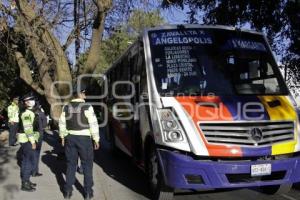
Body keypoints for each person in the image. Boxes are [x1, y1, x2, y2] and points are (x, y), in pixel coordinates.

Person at [59, 85, 100, 200]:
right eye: (84, 93)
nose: (85, 96)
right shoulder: (87, 106)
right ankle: (87, 193)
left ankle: (67, 191)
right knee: (87, 166)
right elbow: (93, 124)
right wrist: (96, 139)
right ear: (80, 94)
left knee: (71, 165)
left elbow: (62, 123)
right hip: (84, 139)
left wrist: (62, 136)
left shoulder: (66, 107)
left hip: (70, 138)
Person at [18, 94, 40, 192]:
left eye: (33, 99)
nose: (33, 101)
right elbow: (28, 129)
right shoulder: (26, 114)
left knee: (27, 161)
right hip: (27, 140)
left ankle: (26, 180)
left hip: (28, 140)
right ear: (26, 102)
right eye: (31, 99)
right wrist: (32, 142)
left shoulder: (30, 112)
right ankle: (25, 183)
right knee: (28, 162)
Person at [31, 102, 47, 177]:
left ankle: (30, 169)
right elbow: (44, 125)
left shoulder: (29, 112)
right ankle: (34, 171)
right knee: (36, 153)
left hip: (30, 134)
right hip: (39, 134)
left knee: (30, 153)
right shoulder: (41, 113)